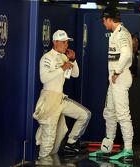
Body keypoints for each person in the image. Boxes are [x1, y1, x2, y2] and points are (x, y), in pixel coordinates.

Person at [33, 30, 91, 161]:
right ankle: (43, 162)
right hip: (49, 99)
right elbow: (43, 78)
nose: (66, 44)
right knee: (49, 139)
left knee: (85, 114)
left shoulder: (64, 57)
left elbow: (75, 74)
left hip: (60, 98)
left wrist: (73, 60)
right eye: (64, 42)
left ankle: (71, 144)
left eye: (67, 42)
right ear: (55, 42)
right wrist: (62, 68)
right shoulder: (47, 57)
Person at [89, 6, 134, 160]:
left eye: (103, 20)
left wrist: (116, 71)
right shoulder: (118, 33)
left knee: (122, 114)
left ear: (109, 19)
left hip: (119, 77)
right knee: (109, 113)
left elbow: (127, 54)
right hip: (116, 78)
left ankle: (128, 150)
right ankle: (107, 148)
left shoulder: (121, 33)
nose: (103, 23)